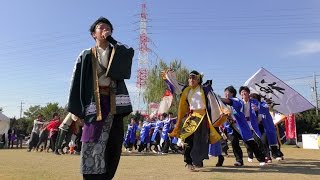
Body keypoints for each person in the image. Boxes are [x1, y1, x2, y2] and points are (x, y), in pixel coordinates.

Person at [67, 17, 134, 180]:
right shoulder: (86, 55)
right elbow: (75, 80)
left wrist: (111, 39)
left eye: (108, 27)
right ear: (93, 34)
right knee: (91, 141)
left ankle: (106, 177)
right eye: (100, 27)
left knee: (113, 143)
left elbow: (129, 54)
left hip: (114, 103)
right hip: (93, 104)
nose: (105, 29)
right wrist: (76, 111)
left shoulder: (118, 52)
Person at [162, 70, 222, 171]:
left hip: (203, 118)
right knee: (188, 139)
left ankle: (198, 161)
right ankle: (188, 161)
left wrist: (223, 110)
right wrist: (168, 75)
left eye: (193, 78)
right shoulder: (186, 89)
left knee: (201, 141)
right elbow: (175, 84)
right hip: (193, 117)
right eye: (189, 78)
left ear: (198, 80)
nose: (191, 80)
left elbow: (215, 100)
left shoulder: (204, 89)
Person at [221, 86, 266, 166]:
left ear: (232, 93)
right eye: (225, 92)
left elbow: (231, 103)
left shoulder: (237, 101)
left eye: (228, 92)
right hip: (231, 127)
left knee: (250, 142)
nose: (226, 94)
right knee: (234, 142)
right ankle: (239, 160)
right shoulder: (223, 104)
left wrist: (218, 98)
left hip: (241, 126)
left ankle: (261, 159)